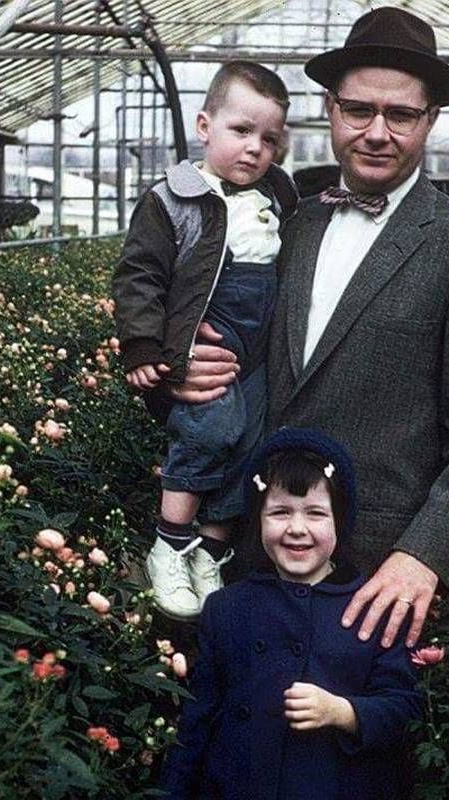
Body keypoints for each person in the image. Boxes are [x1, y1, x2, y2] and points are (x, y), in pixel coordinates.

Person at [172, 8, 449, 647]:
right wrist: (181, 366)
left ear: (430, 121)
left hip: (373, 579)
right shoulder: (289, 222)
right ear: (331, 109)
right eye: (358, 110)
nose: (376, 132)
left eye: (400, 115)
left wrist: (423, 556)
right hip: (248, 554)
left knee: (353, 741)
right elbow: (227, 327)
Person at [111, 61, 300, 621]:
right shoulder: (174, 197)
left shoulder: (278, 194)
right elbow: (139, 276)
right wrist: (145, 347)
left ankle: (210, 553)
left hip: (258, 348)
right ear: (204, 126)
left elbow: (310, 208)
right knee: (211, 427)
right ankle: (169, 544)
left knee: (253, 443)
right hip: (207, 341)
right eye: (241, 131)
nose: (255, 149)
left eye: (269, 139)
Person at [159, 428, 423, 800]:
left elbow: (404, 709)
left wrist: (342, 712)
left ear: (339, 521)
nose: (297, 529)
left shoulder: (372, 605)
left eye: (315, 513)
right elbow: (196, 722)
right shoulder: (226, 608)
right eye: (280, 512)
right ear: (259, 520)